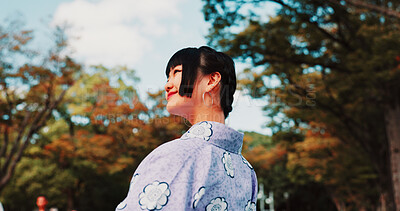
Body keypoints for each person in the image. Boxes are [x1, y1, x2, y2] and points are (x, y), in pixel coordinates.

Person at [116, 46, 257, 210]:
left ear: (211, 81)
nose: (167, 85)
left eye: (176, 72)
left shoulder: (178, 154)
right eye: (168, 77)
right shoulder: (247, 171)